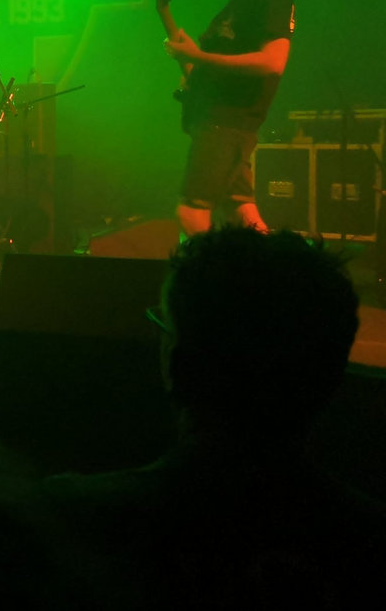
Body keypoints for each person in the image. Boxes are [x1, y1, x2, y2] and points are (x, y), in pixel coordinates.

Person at [42, 227, 385, 609]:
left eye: (163, 324)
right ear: (333, 373)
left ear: (177, 362)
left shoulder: (73, 526)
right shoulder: (367, 544)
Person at [163, 0, 294, 236]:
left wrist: (199, 57)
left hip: (228, 121)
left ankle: (211, 270)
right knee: (242, 212)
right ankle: (281, 265)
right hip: (220, 120)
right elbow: (205, 67)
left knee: (191, 214)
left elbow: (273, 62)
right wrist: (166, 17)